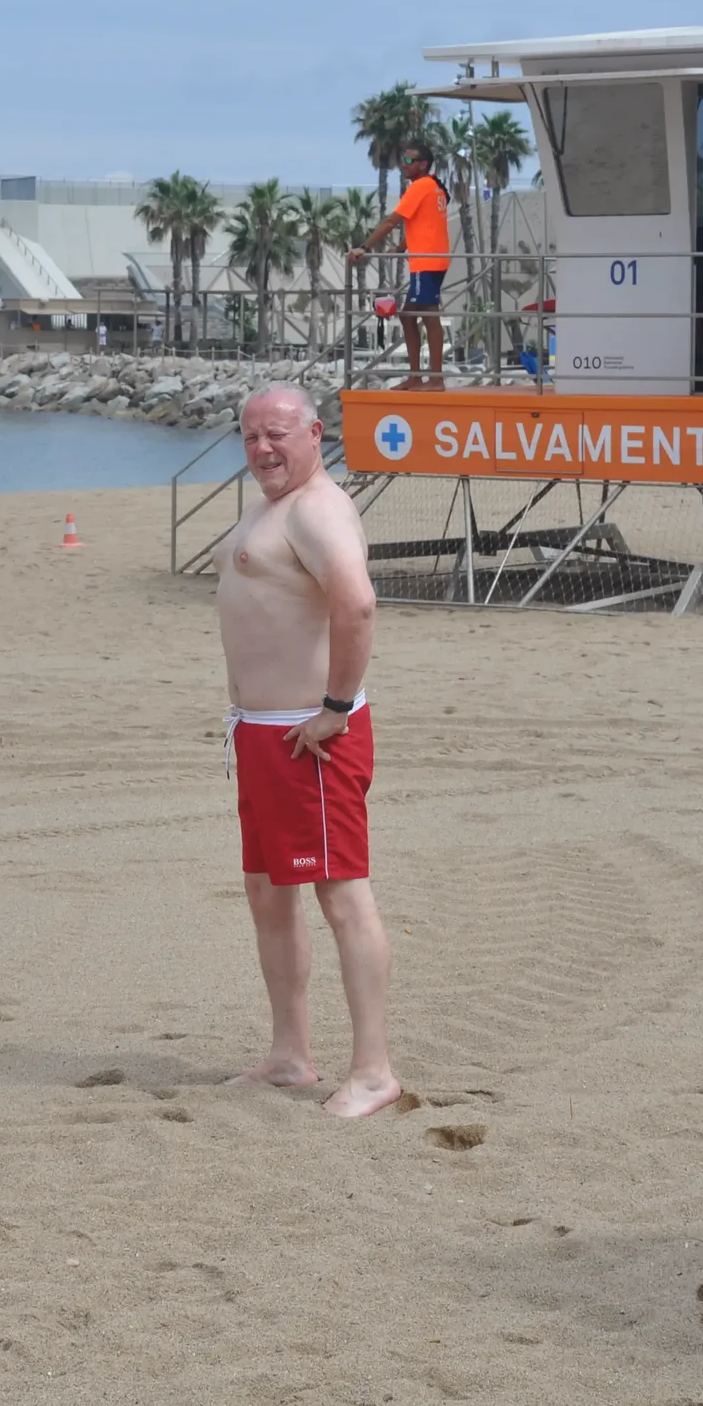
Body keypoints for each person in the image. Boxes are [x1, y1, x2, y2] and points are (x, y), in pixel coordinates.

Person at [215, 383, 401, 1118]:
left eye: (279, 435)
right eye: (252, 436)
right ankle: (291, 1053)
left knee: (341, 895)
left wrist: (332, 709)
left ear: (315, 433)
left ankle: (374, 1071)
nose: (264, 448)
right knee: (268, 892)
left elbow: (356, 604)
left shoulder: (319, 507)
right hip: (261, 734)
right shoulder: (271, 507)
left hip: (310, 739)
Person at [347, 144, 451, 385]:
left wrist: (365, 247)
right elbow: (426, 223)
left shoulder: (421, 186)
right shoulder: (434, 185)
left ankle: (431, 379)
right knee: (417, 316)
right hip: (430, 260)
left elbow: (391, 221)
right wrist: (402, 247)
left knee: (421, 316)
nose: (403, 164)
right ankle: (421, 377)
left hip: (428, 262)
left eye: (409, 159)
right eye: (402, 158)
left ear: (423, 164)